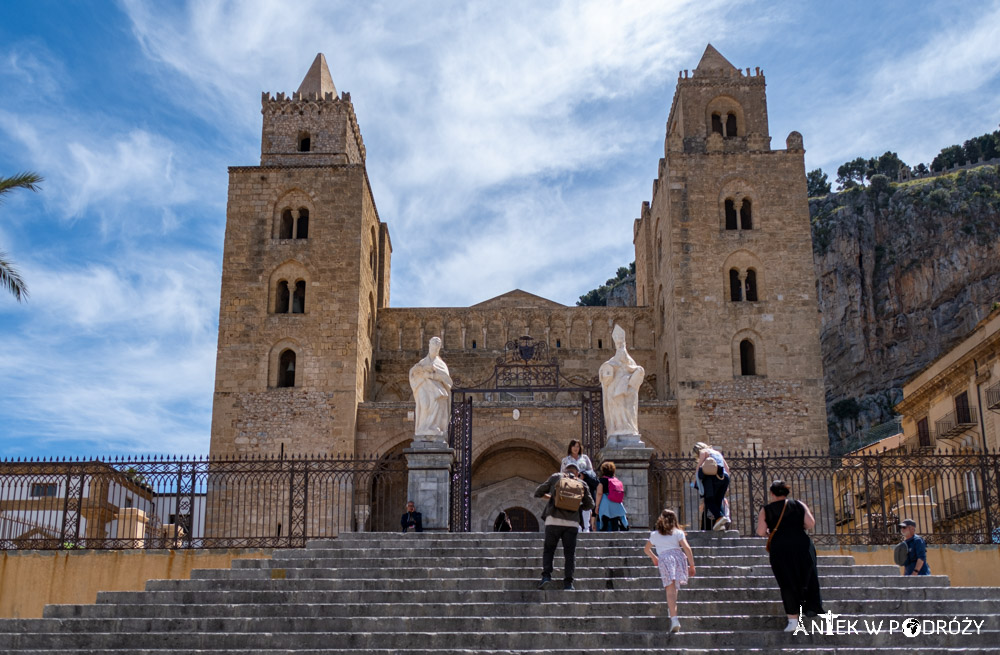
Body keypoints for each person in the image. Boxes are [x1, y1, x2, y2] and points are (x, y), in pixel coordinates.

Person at [756, 480, 823, 632]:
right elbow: (810, 523)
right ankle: (810, 607)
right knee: (806, 576)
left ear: (772, 493)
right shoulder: (799, 504)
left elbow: (761, 531)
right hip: (801, 544)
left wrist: (770, 531)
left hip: (780, 547)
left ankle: (793, 620)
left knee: (786, 581)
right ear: (787, 492)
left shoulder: (766, 509)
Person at [534, 462, 595, 590]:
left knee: (549, 550)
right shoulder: (582, 483)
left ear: (565, 470)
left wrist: (553, 499)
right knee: (569, 553)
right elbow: (590, 505)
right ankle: (568, 583)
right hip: (571, 523)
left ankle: (546, 577)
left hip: (553, 521)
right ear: (577, 473)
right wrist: (577, 505)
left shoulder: (556, 477)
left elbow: (538, 492)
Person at [644, 509, 696, 633]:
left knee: (670, 588)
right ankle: (672, 611)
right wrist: (692, 565)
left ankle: (674, 618)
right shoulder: (678, 532)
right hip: (678, 558)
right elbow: (687, 548)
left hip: (665, 560)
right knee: (674, 587)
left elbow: (646, 549)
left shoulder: (655, 535)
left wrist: (654, 558)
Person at [599, 324, 645, 438]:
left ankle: (628, 428)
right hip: (614, 391)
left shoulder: (631, 362)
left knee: (629, 410)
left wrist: (636, 373)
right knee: (616, 410)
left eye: (622, 344)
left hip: (627, 391)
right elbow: (605, 373)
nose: (620, 347)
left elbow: (636, 371)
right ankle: (618, 427)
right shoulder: (611, 362)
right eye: (618, 345)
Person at [408, 336, 453, 440]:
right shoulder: (423, 362)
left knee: (439, 402)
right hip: (424, 389)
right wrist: (421, 371)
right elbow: (413, 374)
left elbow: (447, 381)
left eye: (436, 349)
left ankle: (434, 428)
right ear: (429, 346)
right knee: (424, 406)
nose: (434, 350)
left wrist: (432, 375)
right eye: (432, 348)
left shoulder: (441, 364)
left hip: (438, 392)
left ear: (439, 349)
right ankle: (423, 428)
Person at [693, 442, 730, 531]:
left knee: (709, 500)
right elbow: (727, 468)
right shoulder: (717, 453)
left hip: (712, 478)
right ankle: (720, 524)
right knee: (718, 501)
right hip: (724, 477)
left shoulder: (704, 452)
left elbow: (699, 467)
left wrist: (696, 478)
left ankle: (720, 517)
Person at [562, 439, 596, 532]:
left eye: (577, 446)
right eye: (574, 446)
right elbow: (562, 474)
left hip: (583, 484)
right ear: (570, 447)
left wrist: (584, 474)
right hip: (571, 485)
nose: (575, 448)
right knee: (574, 505)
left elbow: (591, 471)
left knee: (585, 504)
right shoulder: (565, 460)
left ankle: (586, 526)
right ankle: (578, 526)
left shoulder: (584, 458)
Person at [594, 461, 628, 532]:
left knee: (604, 522)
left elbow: (599, 493)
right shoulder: (617, 480)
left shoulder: (602, 480)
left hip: (606, 503)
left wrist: (597, 506)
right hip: (617, 504)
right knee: (615, 521)